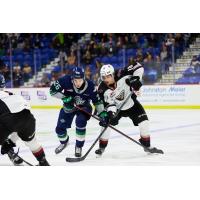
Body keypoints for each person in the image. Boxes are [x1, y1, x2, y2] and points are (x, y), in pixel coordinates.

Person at [96, 63, 163, 156]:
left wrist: (136, 79)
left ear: (112, 74)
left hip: (132, 105)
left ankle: (147, 145)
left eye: (108, 76)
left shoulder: (122, 73)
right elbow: (109, 103)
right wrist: (111, 113)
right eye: (103, 77)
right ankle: (102, 147)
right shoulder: (102, 88)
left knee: (144, 123)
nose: (106, 79)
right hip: (117, 109)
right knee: (106, 125)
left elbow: (139, 67)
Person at [50, 66, 105, 157]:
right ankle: (64, 142)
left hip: (84, 107)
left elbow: (97, 101)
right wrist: (65, 98)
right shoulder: (65, 80)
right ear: (72, 79)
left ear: (84, 78)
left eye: (80, 80)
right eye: (75, 80)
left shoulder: (90, 86)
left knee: (80, 122)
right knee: (59, 129)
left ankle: (79, 146)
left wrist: (102, 113)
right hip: (69, 106)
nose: (77, 83)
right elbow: (52, 91)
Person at [0, 75, 50, 166]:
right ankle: (43, 162)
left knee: (6, 127)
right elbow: (20, 121)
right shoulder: (11, 94)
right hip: (28, 120)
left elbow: (12, 121)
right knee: (32, 142)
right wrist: (11, 141)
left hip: (10, 121)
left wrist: (8, 142)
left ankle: (10, 151)